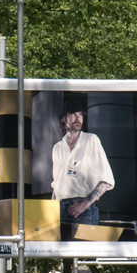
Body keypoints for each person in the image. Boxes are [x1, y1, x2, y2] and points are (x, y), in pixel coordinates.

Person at [50, 97, 114, 240]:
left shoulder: (91, 140)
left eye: (80, 114)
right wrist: (52, 212)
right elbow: (56, 185)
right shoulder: (57, 148)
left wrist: (84, 205)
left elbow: (107, 180)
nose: (77, 118)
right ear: (63, 118)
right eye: (73, 114)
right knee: (62, 256)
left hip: (85, 209)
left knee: (83, 256)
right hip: (59, 209)